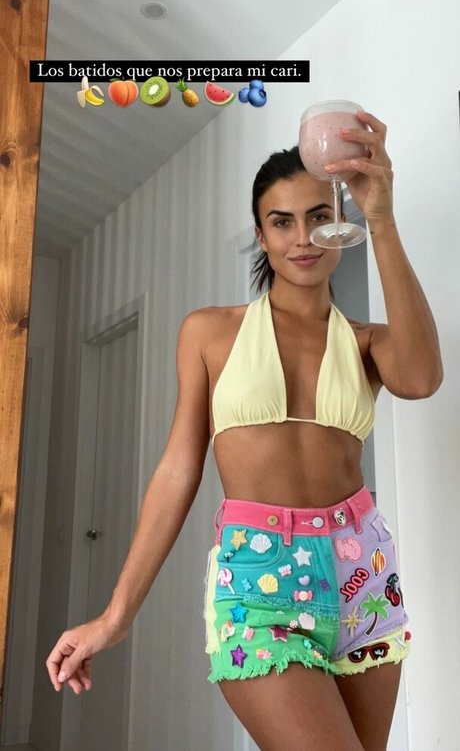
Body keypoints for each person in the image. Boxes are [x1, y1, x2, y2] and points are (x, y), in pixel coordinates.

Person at [46, 112, 443, 751]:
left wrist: (383, 218)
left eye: (318, 216)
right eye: (282, 222)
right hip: (260, 581)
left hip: (363, 573)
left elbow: (422, 378)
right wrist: (116, 615)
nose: (302, 238)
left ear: (340, 222)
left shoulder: (367, 343)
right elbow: (179, 468)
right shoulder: (209, 332)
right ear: (260, 234)